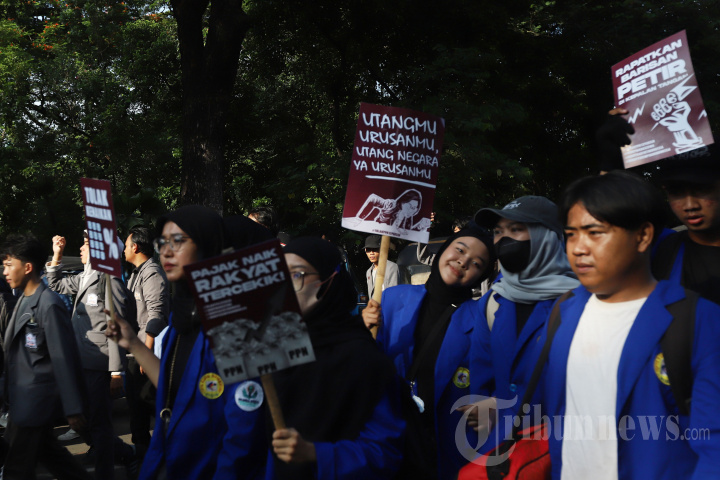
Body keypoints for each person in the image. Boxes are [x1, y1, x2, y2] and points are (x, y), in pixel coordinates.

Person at [542, 170, 720, 478]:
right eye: (571, 234)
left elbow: (714, 447)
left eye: (594, 232)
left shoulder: (698, 319)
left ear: (643, 236)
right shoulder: (564, 310)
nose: (578, 248)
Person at [227, 236, 405, 479]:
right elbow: (241, 434)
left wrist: (315, 453)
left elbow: (385, 452)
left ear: (329, 281)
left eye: (297, 274)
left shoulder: (364, 357)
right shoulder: (268, 344)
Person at [106, 205, 229, 480]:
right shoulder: (181, 320)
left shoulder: (232, 320)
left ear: (208, 245)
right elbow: (173, 386)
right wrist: (132, 343)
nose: (166, 251)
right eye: (163, 242)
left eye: (178, 241)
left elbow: (243, 419)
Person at [363, 227, 496, 479]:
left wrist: (496, 404)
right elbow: (365, 366)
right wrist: (362, 330)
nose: (463, 261)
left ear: (481, 276)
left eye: (477, 263)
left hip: (444, 453)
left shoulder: (484, 320)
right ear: (443, 250)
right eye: (460, 249)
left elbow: (508, 379)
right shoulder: (391, 299)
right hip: (388, 442)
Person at [464, 196, 579, 451]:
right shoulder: (492, 302)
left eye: (516, 229)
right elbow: (482, 383)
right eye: (498, 232)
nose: (504, 240)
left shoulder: (583, 302)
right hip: (504, 452)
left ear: (546, 237)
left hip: (563, 449)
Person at [45, 232, 136, 479]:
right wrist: (57, 254)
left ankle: (109, 468)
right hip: (81, 361)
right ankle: (124, 452)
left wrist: (116, 372)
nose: (81, 248)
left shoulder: (110, 280)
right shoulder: (86, 276)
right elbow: (55, 284)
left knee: (98, 423)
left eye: (86, 244)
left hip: (99, 363)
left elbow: (118, 326)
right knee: (78, 419)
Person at [2, 234, 91, 480]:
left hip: (35, 403)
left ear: (27, 267)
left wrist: (73, 407)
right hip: (22, 401)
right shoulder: (23, 299)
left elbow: (63, 358)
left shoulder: (49, 304)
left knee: (16, 470)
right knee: (56, 460)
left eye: (9, 265)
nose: (5, 271)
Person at [123, 225, 170, 457]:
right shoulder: (136, 273)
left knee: (148, 404)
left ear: (136, 247)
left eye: (126, 245)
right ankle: (144, 452)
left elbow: (155, 315)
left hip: (145, 352)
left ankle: (156, 452)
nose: (123, 250)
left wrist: (146, 354)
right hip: (136, 350)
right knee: (137, 407)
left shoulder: (152, 273)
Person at [652, 146, 720, 305]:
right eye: (676, 192)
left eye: (701, 189)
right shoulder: (659, 249)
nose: (690, 205)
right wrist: (608, 171)